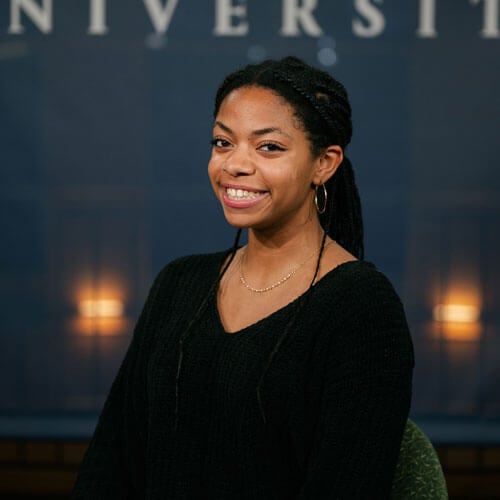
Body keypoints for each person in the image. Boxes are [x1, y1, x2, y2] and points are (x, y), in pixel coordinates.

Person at [71, 56, 414, 499]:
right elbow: (112, 460)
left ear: (324, 164)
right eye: (222, 142)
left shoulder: (361, 306)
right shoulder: (179, 283)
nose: (235, 164)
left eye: (268, 147)